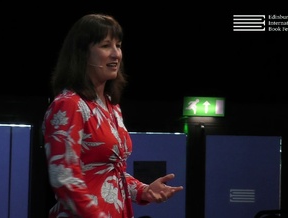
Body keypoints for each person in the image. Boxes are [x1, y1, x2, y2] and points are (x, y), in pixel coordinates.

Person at [42, 13, 184, 218]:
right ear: (82, 53)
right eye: (106, 45)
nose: (116, 54)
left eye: (118, 45)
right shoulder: (69, 104)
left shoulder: (112, 106)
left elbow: (108, 174)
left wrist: (144, 190)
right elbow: (64, 178)